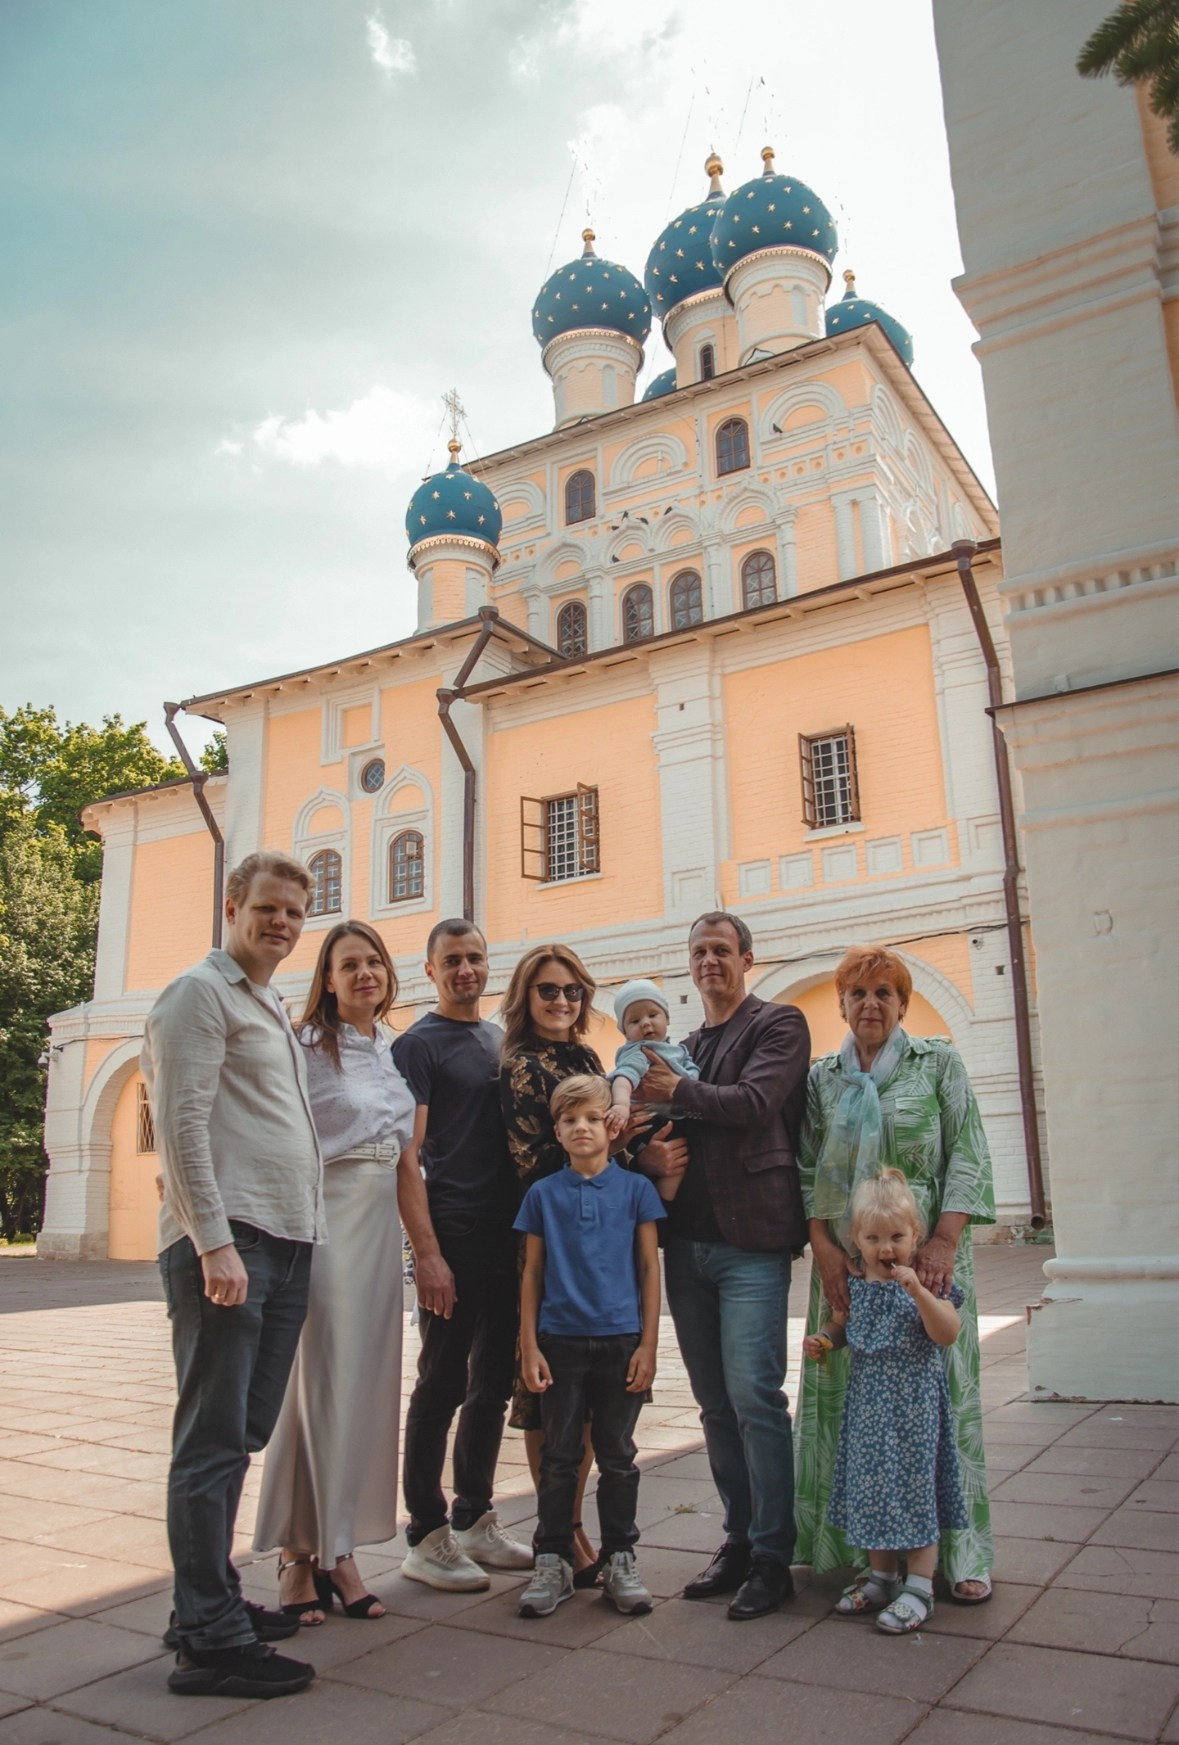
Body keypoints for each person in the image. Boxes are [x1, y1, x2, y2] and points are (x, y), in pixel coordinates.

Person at [143, 850, 322, 1700]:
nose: (282, 923)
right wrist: (212, 1242)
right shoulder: (197, 994)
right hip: (232, 1243)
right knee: (211, 1440)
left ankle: (204, 1601)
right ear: (232, 904)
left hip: (284, 1242)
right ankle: (209, 1639)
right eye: (269, 908)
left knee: (240, 1432)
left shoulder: (268, 1002)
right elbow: (180, 1122)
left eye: (295, 911)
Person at [793, 944, 996, 1604]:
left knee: (942, 1407)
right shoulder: (823, 1077)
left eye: (884, 991)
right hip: (850, 1264)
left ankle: (961, 1552)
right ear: (842, 1004)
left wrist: (942, 1240)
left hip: (929, 1262)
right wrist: (822, 1247)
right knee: (860, 1412)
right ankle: (869, 1557)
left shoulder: (936, 1061)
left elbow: (967, 1147)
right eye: (857, 992)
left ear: (903, 1003)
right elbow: (804, 1167)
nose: (870, 1003)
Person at [634, 910, 810, 1620]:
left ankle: (773, 1555)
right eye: (698, 951)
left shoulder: (778, 1023)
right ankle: (737, 1538)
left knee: (754, 1398)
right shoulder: (682, 1043)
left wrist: (672, 1093)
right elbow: (658, 1126)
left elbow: (754, 1102)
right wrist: (646, 1150)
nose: (709, 960)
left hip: (752, 1243)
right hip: (688, 1244)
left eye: (720, 950)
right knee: (712, 1405)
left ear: (745, 956)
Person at [253, 921, 417, 1623]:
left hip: (379, 1226)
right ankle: (306, 1554)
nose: (364, 973)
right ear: (326, 978)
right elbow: (270, 1129)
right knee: (320, 1384)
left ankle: (335, 1540)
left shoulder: (387, 1047)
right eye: (348, 964)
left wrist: (424, 1247)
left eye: (373, 961)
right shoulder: (303, 1047)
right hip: (326, 1222)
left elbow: (407, 1156)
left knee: (363, 1386)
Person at [392, 919, 532, 1590]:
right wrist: (427, 1252)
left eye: (475, 956)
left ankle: (474, 1515)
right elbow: (405, 1157)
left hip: (506, 1233)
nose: (465, 968)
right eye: (452, 959)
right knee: (441, 1381)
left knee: (491, 1385)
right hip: (453, 1229)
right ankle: (424, 1531)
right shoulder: (416, 1046)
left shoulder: (496, 1038)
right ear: (430, 969)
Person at [515, 1075, 665, 1618]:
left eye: (592, 1119)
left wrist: (649, 1344)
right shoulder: (542, 1195)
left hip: (621, 1340)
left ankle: (621, 1557)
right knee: (560, 1457)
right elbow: (532, 1273)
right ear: (556, 1131)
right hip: (560, 1343)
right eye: (570, 1120)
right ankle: (552, 1560)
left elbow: (649, 1268)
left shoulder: (636, 1191)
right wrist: (529, 1346)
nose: (582, 1128)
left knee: (619, 1456)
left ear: (611, 1125)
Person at [802, 1169, 968, 1633]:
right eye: (873, 1238)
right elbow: (841, 1326)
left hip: (914, 1409)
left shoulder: (927, 1285)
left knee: (915, 1489)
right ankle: (880, 1577)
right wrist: (825, 1340)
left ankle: (920, 1586)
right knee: (872, 1489)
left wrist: (918, 1293)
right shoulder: (856, 1284)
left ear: (916, 1235)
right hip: (869, 1408)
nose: (886, 1249)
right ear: (856, 1239)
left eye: (896, 1236)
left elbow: (947, 1333)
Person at [498, 942, 606, 1580]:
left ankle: (571, 1522)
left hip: (599, 1243)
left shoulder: (585, 1057)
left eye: (572, 991)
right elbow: (535, 1164)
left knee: (591, 1393)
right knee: (551, 1393)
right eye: (548, 991)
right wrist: (625, 1161)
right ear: (525, 997)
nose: (562, 1001)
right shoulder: (521, 1068)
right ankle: (557, 1528)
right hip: (550, 1244)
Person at [606, 979, 700, 1197]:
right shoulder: (640, 1051)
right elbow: (624, 1077)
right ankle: (662, 1210)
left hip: (673, 1116)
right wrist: (620, 1104)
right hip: (649, 1122)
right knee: (675, 1169)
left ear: (667, 1018)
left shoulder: (678, 1050)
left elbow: (693, 1075)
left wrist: (683, 1085)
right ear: (625, 1033)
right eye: (635, 1020)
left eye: (653, 1015)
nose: (646, 1023)